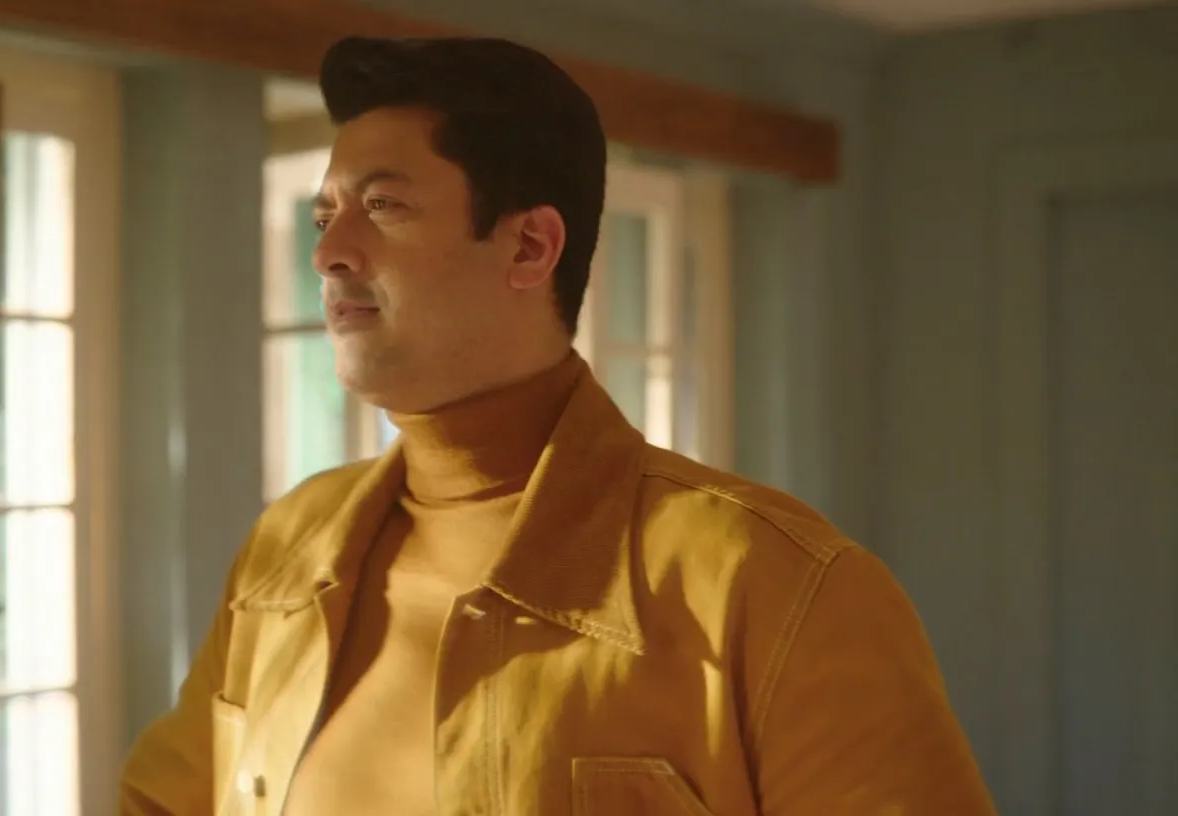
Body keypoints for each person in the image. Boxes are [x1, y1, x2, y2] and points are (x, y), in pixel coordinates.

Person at [118, 35, 998, 816]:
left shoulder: (773, 587)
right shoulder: (287, 547)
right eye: (325, 216)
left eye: (382, 207)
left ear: (530, 247)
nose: (327, 252)